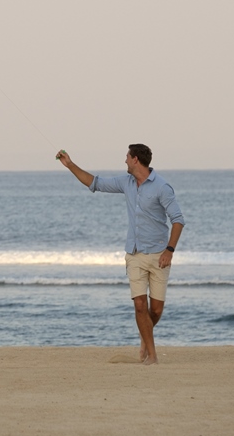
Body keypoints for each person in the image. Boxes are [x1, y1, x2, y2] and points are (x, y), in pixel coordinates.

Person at [56, 145, 185, 365]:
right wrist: (69, 165)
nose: (124, 161)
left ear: (135, 160)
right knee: (139, 306)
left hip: (159, 256)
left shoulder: (162, 187)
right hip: (134, 254)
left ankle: (145, 339)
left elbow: (178, 220)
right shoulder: (126, 183)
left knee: (156, 309)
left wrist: (169, 251)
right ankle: (151, 356)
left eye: (126, 157)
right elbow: (94, 182)